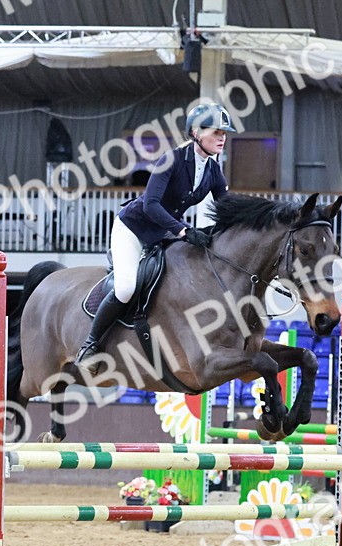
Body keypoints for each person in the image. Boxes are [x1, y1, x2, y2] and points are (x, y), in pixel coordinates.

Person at [74, 103, 236, 373]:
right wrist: (184, 230)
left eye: (225, 132)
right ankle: (90, 345)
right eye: (216, 131)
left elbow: (227, 210)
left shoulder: (213, 171)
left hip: (163, 235)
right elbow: (151, 205)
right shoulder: (171, 160)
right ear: (196, 132)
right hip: (133, 229)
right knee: (126, 288)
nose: (222, 137)